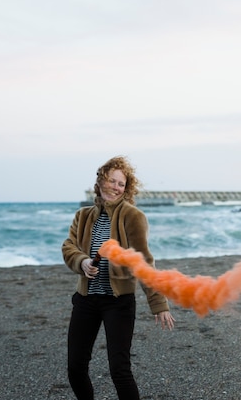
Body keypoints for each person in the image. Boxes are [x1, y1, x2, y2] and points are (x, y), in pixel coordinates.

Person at [62, 156, 175, 400]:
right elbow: (69, 246)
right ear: (100, 181)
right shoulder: (82, 216)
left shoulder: (133, 216)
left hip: (118, 302)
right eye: (111, 180)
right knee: (75, 367)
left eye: (121, 183)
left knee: (119, 371)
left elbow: (143, 261)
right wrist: (81, 262)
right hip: (86, 299)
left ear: (126, 188)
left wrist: (158, 303)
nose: (115, 187)